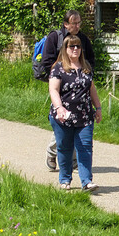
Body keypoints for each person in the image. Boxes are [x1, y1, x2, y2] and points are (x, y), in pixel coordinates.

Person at [41, 10, 96, 172]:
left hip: (80, 87)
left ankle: (72, 158)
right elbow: (46, 61)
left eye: (79, 23)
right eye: (74, 23)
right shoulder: (54, 37)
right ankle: (53, 153)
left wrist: (85, 75)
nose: (77, 26)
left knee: (76, 122)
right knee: (63, 121)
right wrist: (63, 73)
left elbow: (91, 60)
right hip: (61, 87)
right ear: (66, 24)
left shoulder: (83, 40)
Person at [48, 35, 102, 191]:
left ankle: (87, 181)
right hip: (63, 117)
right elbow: (53, 89)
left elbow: (92, 89)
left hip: (84, 115)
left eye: (78, 46)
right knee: (65, 147)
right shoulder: (58, 67)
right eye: (72, 46)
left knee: (85, 147)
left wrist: (97, 108)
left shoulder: (86, 67)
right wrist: (59, 108)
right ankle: (65, 180)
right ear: (65, 49)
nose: (76, 49)